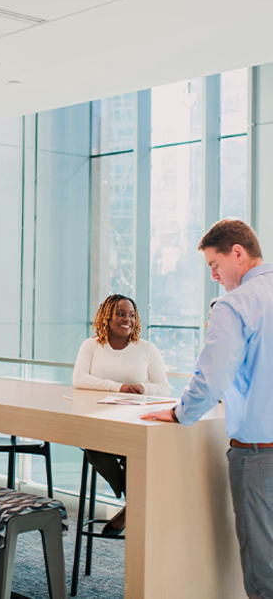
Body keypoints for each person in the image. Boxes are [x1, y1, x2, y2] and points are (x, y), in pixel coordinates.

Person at [142, 218, 273, 599]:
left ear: (237, 253)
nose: (214, 276)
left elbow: (213, 376)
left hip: (260, 456)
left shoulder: (236, 304)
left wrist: (181, 412)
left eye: (214, 265)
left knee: (264, 566)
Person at [73, 294, 170, 535]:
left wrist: (143, 388)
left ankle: (131, 507)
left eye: (132, 315)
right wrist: (118, 387)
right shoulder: (91, 345)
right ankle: (134, 504)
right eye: (120, 313)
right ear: (107, 316)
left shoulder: (147, 348)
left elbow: (164, 387)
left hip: (134, 421)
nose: (127, 319)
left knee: (133, 454)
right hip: (98, 420)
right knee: (93, 447)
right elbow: (79, 379)